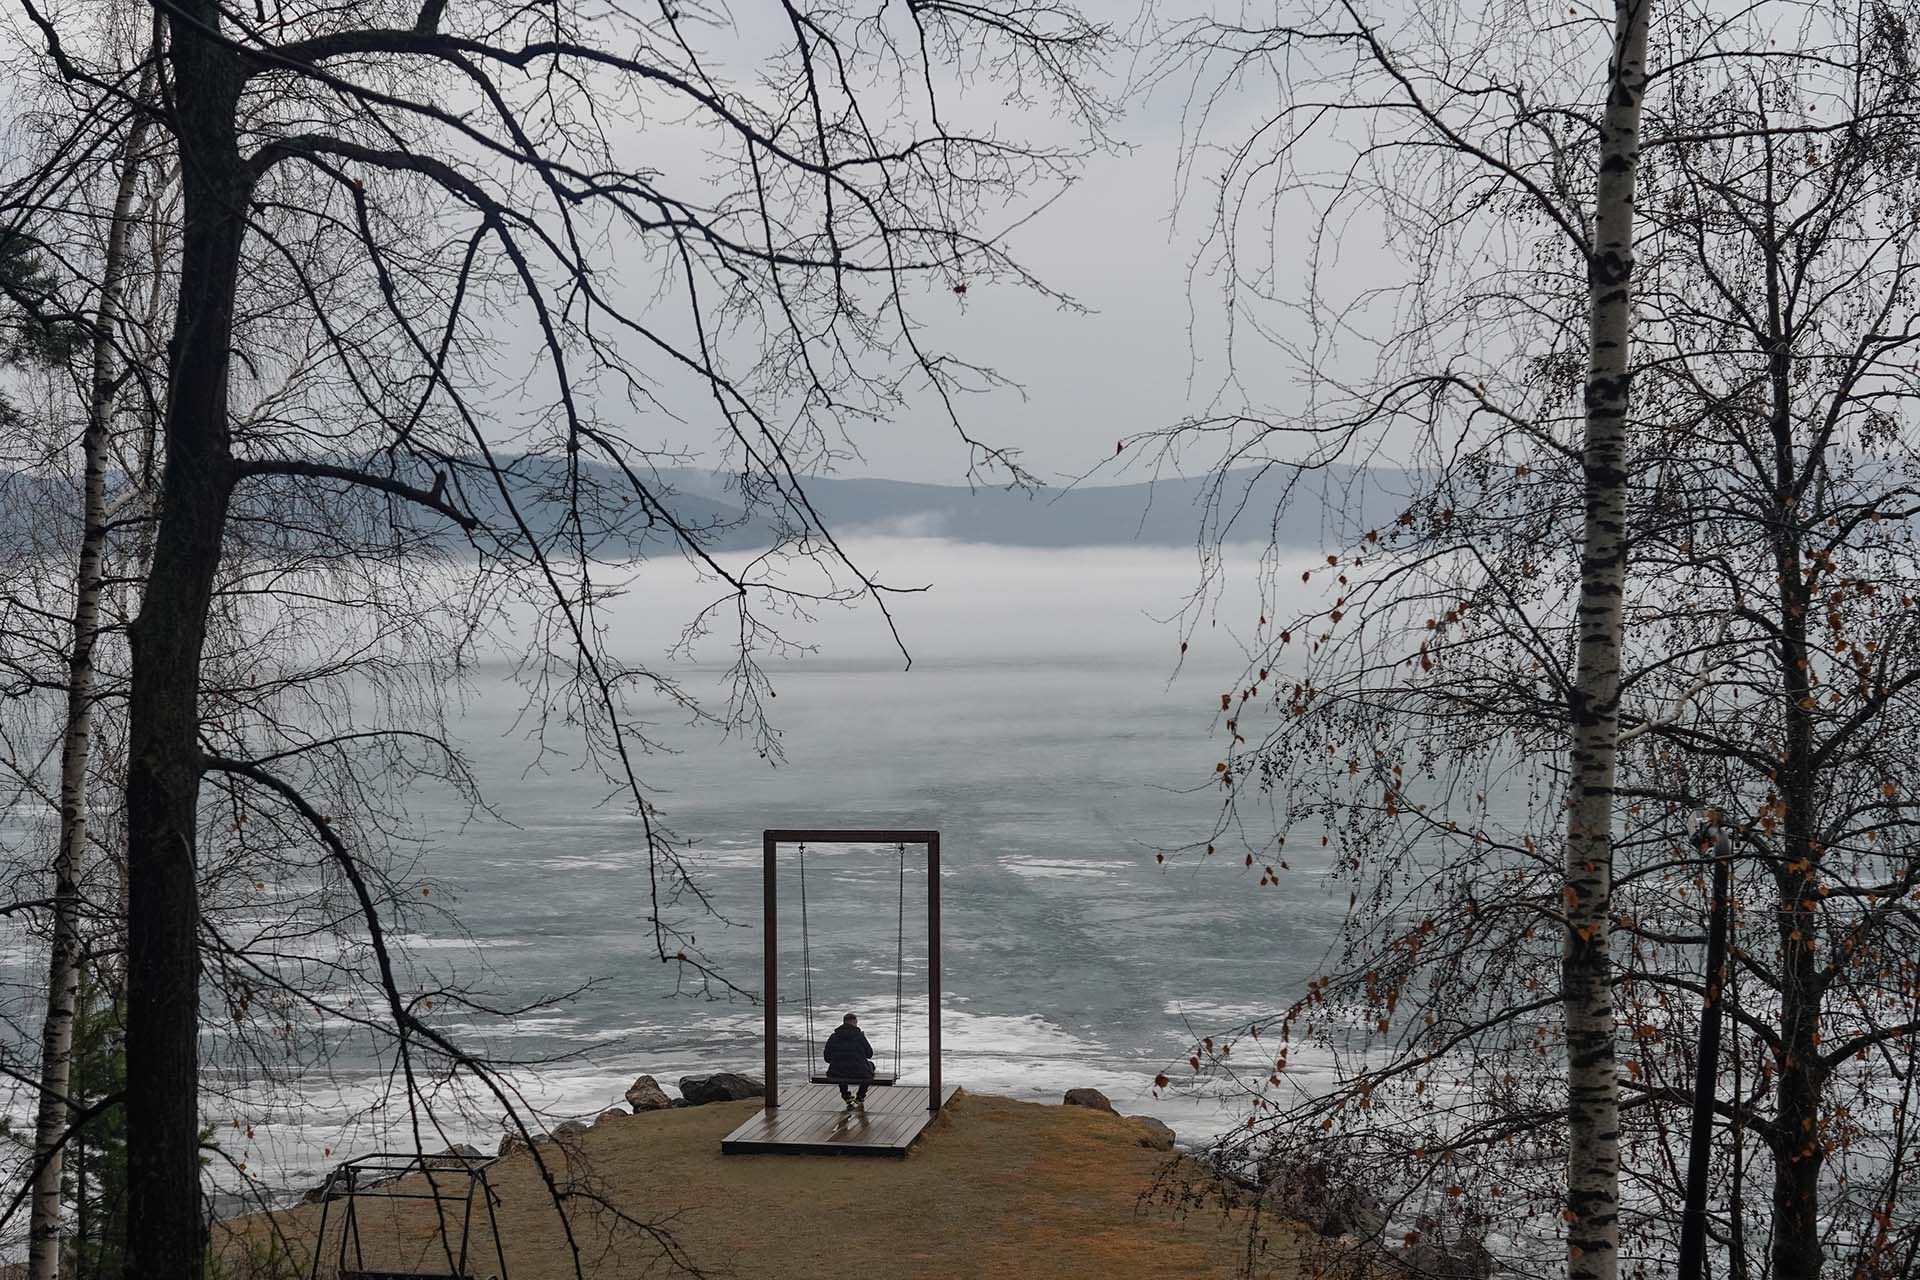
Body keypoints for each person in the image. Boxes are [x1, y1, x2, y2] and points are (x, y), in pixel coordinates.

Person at [823, 1013, 876, 1109]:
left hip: (836, 1073)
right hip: (859, 1073)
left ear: (844, 1022)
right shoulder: (859, 1036)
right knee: (870, 1066)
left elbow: (827, 1058)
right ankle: (860, 1096)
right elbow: (869, 1054)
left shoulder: (833, 1037)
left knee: (840, 1067)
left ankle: (846, 1095)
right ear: (854, 1022)